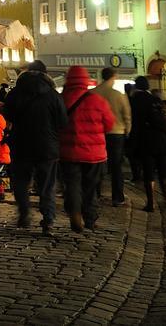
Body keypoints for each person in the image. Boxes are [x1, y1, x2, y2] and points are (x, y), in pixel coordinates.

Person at [3, 60, 67, 234]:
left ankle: (24, 213)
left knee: (21, 182)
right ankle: (48, 220)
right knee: (47, 185)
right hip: (47, 147)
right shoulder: (53, 95)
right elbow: (63, 122)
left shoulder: (16, 93)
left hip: (21, 145)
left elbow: (6, 115)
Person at [59, 65, 115, 233]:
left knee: (72, 185)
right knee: (90, 188)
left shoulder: (61, 100)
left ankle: (75, 213)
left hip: (68, 153)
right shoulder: (96, 100)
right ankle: (90, 219)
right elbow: (109, 124)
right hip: (94, 154)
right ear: (85, 81)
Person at [128, 76, 166, 211]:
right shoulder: (155, 99)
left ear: (136, 86)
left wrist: (132, 144)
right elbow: (164, 119)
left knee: (148, 172)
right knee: (164, 169)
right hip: (160, 139)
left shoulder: (134, 101)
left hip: (145, 140)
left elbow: (134, 124)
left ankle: (151, 203)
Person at [92, 67, 132, 207]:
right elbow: (127, 115)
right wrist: (127, 131)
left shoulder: (93, 93)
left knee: (96, 164)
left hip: (97, 133)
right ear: (113, 77)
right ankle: (117, 197)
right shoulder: (118, 95)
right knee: (116, 166)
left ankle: (95, 193)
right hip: (117, 133)